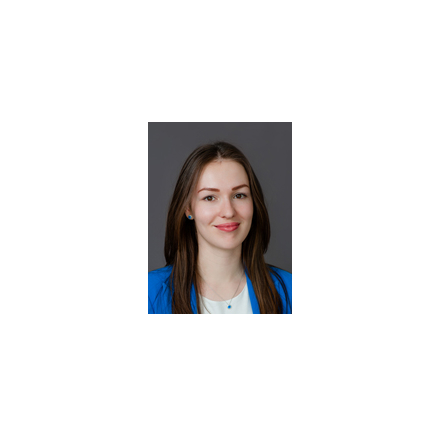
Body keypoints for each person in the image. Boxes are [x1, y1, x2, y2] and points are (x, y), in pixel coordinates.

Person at [148, 141, 292, 314]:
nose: (228, 212)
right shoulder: (150, 293)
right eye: (210, 197)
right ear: (188, 209)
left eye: (239, 195)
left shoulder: (289, 289)